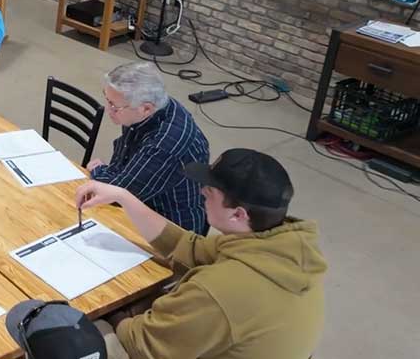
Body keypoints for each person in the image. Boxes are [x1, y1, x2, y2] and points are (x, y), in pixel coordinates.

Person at [76, 149, 327, 359]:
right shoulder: (280, 244)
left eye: (211, 192)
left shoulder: (219, 290)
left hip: (162, 344)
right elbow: (187, 246)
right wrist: (123, 196)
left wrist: (110, 313)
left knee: (79, 331)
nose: (202, 192)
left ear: (238, 214)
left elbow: (142, 344)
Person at [87, 62, 210, 234]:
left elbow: (120, 193)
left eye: (114, 106)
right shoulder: (150, 108)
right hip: (145, 204)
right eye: (107, 100)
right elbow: (122, 161)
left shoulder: (165, 144)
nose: (108, 109)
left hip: (171, 230)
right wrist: (109, 172)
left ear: (146, 108)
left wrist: (99, 170)